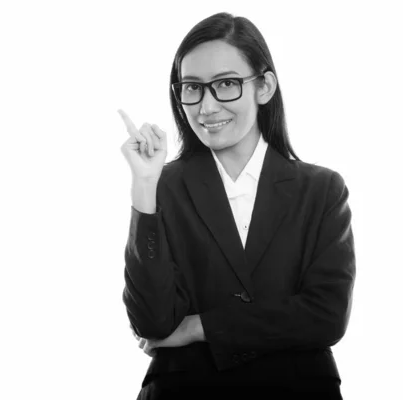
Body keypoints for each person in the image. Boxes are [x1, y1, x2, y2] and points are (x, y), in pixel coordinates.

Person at [118, 12, 355, 400]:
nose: (207, 107)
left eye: (226, 84)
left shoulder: (322, 189)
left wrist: (199, 327)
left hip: (299, 388)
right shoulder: (164, 185)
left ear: (264, 86)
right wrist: (145, 186)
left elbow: (326, 315)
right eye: (192, 87)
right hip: (183, 389)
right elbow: (153, 323)